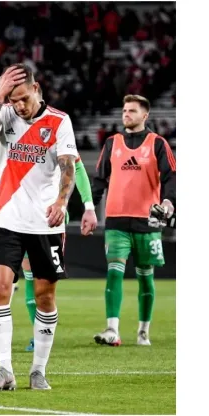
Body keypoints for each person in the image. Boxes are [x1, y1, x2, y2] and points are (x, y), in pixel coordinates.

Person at [0, 64, 79, 391]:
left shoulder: (59, 121)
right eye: (13, 99)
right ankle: (4, 369)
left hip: (45, 222)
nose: (19, 105)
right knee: (0, 287)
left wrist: (62, 202)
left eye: (23, 98)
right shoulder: (4, 114)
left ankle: (38, 370)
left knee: (45, 296)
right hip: (6, 219)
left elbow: (67, 168)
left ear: (37, 88)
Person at [0, 139, 98, 352]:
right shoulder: (7, 132)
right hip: (13, 219)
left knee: (41, 286)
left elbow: (76, 168)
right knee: (20, 277)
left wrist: (88, 205)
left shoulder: (56, 130)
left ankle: (40, 336)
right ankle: (34, 336)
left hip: (46, 219)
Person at [91, 94, 176, 347]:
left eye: (131, 111)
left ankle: (143, 331)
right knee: (113, 273)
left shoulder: (157, 143)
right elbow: (99, 179)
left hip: (146, 221)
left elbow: (171, 175)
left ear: (145, 115)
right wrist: (89, 208)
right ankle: (112, 330)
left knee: (145, 277)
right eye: (124, 110)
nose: (126, 114)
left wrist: (169, 202)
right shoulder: (111, 143)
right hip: (116, 220)